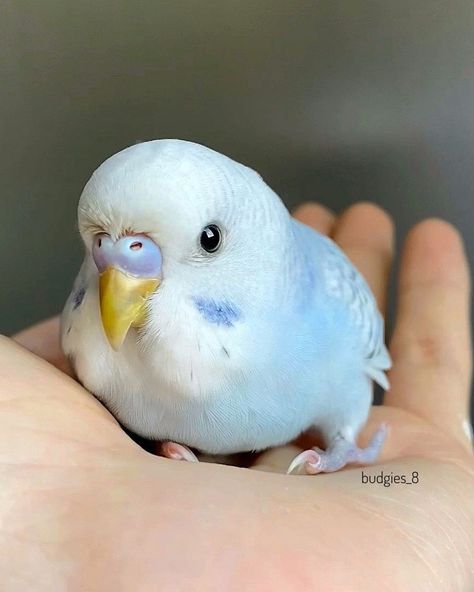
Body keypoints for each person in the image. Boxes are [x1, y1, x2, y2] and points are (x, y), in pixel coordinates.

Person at [2, 202, 473, 591]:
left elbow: (388, 466)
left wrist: (353, 458)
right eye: (99, 246)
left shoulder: (332, 302)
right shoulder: (90, 333)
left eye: (208, 242)